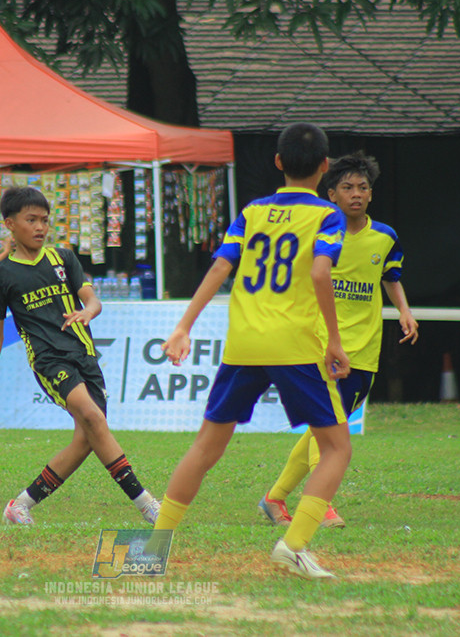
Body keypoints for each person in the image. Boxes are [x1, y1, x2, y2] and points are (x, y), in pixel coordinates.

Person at [153, 122, 352, 580]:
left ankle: (155, 546)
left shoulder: (254, 210)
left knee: (206, 446)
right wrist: (335, 341)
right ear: (325, 168)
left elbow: (222, 266)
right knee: (336, 447)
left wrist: (184, 325)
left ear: (278, 163)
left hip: (243, 343)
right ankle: (294, 546)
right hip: (294, 345)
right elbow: (321, 274)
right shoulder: (327, 215)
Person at [0, 187, 160, 525]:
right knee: (93, 418)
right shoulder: (1, 275)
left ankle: (21, 504)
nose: (40, 227)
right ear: (10, 224)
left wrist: (90, 311)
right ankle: (146, 504)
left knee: (86, 439)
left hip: (85, 355)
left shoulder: (63, 259)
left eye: (44, 220)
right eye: (31, 220)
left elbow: (92, 299)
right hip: (48, 360)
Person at [258, 151, 419, 530]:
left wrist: (405, 311)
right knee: (329, 425)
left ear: (371, 195)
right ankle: (321, 502)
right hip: (322, 345)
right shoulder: (318, 234)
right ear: (331, 194)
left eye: (363, 187)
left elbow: (390, 275)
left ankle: (274, 498)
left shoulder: (385, 237)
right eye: (347, 187)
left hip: (366, 349)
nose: (356, 194)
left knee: (326, 426)